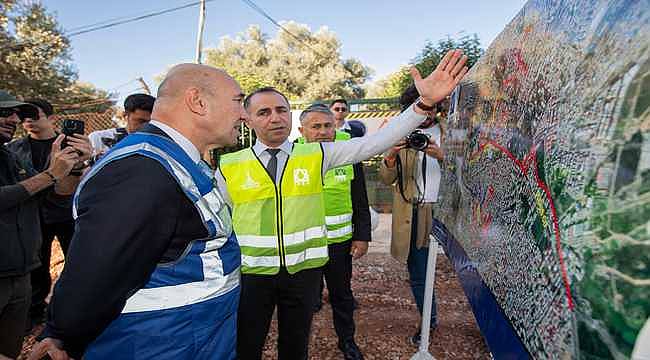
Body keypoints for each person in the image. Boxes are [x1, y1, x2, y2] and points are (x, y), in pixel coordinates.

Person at [217, 49, 468, 360]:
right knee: (246, 346)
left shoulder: (317, 154)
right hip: (252, 276)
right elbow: (220, 226)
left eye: (281, 110)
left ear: (290, 117)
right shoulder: (230, 165)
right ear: (248, 118)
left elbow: (375, 141)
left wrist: (423, 105)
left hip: (303, 275)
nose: (275, 117)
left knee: (295, 348)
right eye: (264, 112)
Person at [29, 64, 245, 360]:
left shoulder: (175, 160)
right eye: (238, 101)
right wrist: (63, 333)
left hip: (189, 339)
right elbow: (97, 273)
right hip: (156, 345)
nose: (244, 114)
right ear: (198, 101)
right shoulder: (142, 170)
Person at [0, 91, 85, 359]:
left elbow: (52, 194)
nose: (14, 118)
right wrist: (51, 174)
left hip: (19, 273)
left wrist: (73, 168)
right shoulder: (16, 149)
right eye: (4, 112)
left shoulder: (9, 156)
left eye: (15, 112)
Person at [297, 103, 371, 360]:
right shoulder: (293, 154)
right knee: (304, 299)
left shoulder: (347, 150)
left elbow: (360, 196)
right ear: (302, 130)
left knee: (342, 295)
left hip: (340, 242)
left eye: (327, 125)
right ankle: (299, 346)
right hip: (305, 242)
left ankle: (347, 342)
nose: (322, 132)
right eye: (315, 127)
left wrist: (362, 235)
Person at [379, 84, 446, 346]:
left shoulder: (451, 132)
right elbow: (386, 179)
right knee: (418, 272)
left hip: (447, 212)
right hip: (416, 211)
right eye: (420, 108)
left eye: (431, 107)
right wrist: (392, 155)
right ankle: (428, 320)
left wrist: (442, 155)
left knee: (468, 271)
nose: (427, 114)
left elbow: (471, 170)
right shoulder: (402, 134)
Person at [88, 93, 155, 155]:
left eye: (151, 122)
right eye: (141, 121)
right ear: (125, 115)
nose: (146, 126)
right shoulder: (98, 138)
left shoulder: (156, 143)